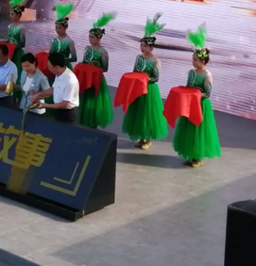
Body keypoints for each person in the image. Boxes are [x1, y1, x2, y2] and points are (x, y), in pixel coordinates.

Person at [172, 25, 221, 168]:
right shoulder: (192, 73)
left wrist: (195, 96)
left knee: (199, 130)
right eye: (192, 59)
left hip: (201, 106)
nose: (193, 62)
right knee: (189, 129)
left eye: (195, 60)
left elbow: (207, 93)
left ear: (203, 61)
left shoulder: (207, 75)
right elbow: (188, 86)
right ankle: (191, 154)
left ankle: (198, 157)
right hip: (190, 105)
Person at [122, 14, 168, 150]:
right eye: (141, 45)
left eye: (145, 46)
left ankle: (148, 139)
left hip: (149, 90)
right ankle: (141, 137)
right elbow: (135, 71)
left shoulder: (156, 61)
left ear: (151, 47)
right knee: (139, 113)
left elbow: (155, 78)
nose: (142, 48)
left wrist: (145, 79)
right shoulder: (139, 58)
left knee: (148, 114)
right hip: (138, 89)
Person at [78, 12, 117, 128]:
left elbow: (105, 69)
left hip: (96, 79)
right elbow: (85, 62)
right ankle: (84, 121)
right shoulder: (87, 49)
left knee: (94, 100)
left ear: (99, 38)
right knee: (85, 98)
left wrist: (93, 70)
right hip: (86, 78)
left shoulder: (103, 52)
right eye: (89, 36)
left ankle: (93, 123)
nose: (90, 39)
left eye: (92, 37)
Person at [6, 0, 30, 96]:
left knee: (18, 73)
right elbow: (9, 38)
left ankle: (17, 94)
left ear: (18, 15)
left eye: (12, 14)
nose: (10, 16)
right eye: (10, 14)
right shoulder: (10, 26)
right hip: (10, 52)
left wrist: (14, 47)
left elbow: (23, 44)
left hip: (17, 53)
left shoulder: (21, 28)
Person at [50, 3, 77, 69]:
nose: (57, 30)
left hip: (65, 68)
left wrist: (63, 61)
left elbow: (74, 58)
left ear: (65, 28)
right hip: (54, 67)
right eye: (56, 27)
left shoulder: (69, 41)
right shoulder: (54, 40)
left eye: (59, 28)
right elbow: (50, 54)